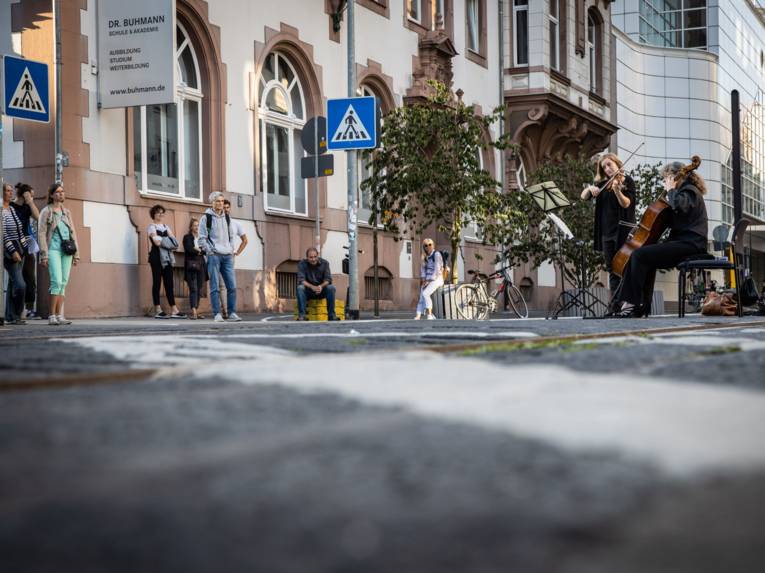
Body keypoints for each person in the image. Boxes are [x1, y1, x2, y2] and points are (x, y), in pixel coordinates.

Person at [614, 156, 708, 318]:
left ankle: (631, 304)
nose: (664, 182)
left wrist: (671, 190)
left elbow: (679, 206)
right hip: (683, 243)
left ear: (674, 177)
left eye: (666, 178)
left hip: (691, 244)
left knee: (639, 254)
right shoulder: (681, 193)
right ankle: (641, 306)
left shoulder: (689, 191)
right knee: (646, 256)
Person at [581, 153, 636, 301]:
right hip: (607, 233)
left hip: (623, 231)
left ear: (617, 164)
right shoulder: (602, 185)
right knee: (612, 270)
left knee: (624, 268)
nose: (607, 169)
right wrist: (589, 189)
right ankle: (615, 305)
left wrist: (618, 191)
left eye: (609, 165)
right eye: (604, 167)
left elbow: (626, 203)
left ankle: (627, 303)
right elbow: (583, 197)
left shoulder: (627, 181)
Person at [38, 183, 80, 325]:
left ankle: (59, 315)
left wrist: (76, 254)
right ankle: (51, 316)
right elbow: (42, 234)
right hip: (53, 250)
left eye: (62, 191)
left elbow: (72, 232)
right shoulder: (47, 211)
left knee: (63, 283)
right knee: (56, 281)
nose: (61, 194)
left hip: (66, 251)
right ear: (51, 195)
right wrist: (44, 254)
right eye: (57, 192)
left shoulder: (66, 212)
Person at [199, 191, 242, 322]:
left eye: (222, 201)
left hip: (227, 256)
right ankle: (217, 313)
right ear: (212, 202)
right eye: (218, 201)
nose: (220, 204)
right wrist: (210, 251)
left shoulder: (227, 218)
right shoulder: (206, 218)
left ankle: (232, 313)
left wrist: (231, 250)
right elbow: (202, 239)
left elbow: (231, 237)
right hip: (214, 256)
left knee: (232, 286)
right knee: (215, 286)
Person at [147, 204, 185, 319]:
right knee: (157, 282)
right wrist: (167, 241)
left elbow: (175, 243)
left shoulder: (165, 226)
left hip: (167, 258)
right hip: (155, 257)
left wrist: (162, 240)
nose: (161, 214)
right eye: (158, 212)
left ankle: (174, 309)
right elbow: (156, 243)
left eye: (162, 212)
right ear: (153, 214)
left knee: (169, 284)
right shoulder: (151, 227)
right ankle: (158, 309)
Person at [2, 182, 28, 324]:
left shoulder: (11, 209)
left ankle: (10, 316)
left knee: (13, 284)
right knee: (20, 285)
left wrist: (24, 248)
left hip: (20, 249)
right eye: (7, 191)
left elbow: (20, 228)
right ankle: (17, 315)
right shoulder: (1, 210)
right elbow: (3, 233)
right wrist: (12, 251)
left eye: (11, 191)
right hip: (9, 250)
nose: (10, 193)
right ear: (2, 193)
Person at [218, 198, 248, 318]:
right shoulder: (216, 222)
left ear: (230, 209)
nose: (225, 210)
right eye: (223, 207)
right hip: (217, 255)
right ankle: (224, 310)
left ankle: (231, 311)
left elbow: (245, 240)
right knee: (221, 285)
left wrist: (237, 252)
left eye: (227, 207)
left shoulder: (236, 224)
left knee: (230, 285)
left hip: (230, 257)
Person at [14, 183, 40, 319]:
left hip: (28, 244)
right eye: (31, 195)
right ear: (24, 194)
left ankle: (29, 308)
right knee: (17, 278)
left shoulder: (27, 207)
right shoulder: (12, 207)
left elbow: (38, 217)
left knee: (30, 276)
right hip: (14, 245)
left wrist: (30, 202)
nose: (32, 198)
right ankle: (17, 309)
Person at [296, 247, 338, 321]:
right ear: (307, 257)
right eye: (311, 257)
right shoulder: (302, 264)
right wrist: (311, 287)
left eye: (315, 257)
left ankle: (331, 315)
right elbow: (301, 280)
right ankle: (302, 315)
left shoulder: (325, 263)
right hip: (308, 291)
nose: (313, 259)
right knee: (300, 288)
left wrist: (320, 286)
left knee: (331, 288)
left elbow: (328, 279)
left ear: (318, 255)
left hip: (321, 290)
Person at [183, 218, 207, 320]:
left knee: (199, 288)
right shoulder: (187, 237)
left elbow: (205, 250)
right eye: (195, 225)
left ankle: (196, 310)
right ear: (191, 227)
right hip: (191, 265)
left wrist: (198, 250)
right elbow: (189, 249)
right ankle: (193, 312)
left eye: (198, 225)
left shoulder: (202, 238)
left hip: (201, 264)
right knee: (193, 288)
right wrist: (198, 250)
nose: (197, 227)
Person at [415, 238, 444, 320]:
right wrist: (424, 280)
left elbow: (437, 270)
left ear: (433, 245)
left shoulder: (436, 254)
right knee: (421, 296)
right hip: (427, 280)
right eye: (426, 245)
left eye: (430, 244)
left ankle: (430, 314)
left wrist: (429, 280)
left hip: (436, 279)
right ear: (424, 247)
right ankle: (418, 315)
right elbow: (423, 269)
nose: (428, 246)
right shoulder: (424, 256)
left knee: (425, 293)